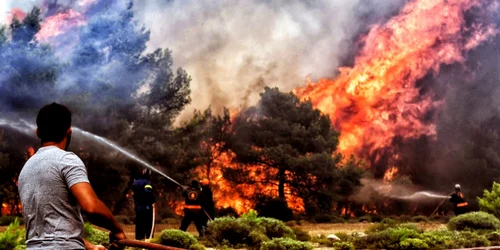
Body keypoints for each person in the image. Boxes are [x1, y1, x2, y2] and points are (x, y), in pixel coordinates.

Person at [18, 103, 126, 250]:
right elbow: (91, 207)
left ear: (38, 132)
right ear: (69, 131)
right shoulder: (67, 160)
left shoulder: (27, 169)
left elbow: (51, 230)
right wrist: (117, 230)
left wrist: (90, 247)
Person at [132, 169, 156, 240]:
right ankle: (149, 240)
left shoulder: (135, 183)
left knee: (139, 224)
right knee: (149, 225)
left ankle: (139, 240)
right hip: (147, 207)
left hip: (138, 208)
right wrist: (153, 201)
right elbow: (148, 193)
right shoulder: (147, 183)